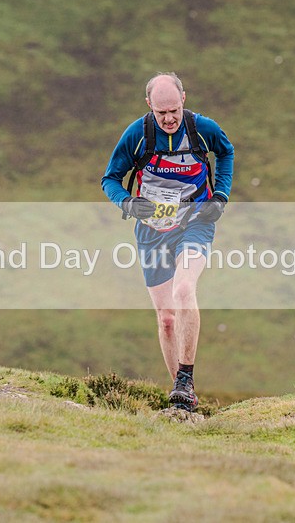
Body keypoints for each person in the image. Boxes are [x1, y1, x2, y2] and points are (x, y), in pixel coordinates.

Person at [102, 72, 234, 412]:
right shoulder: (138, 134)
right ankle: (182, 394)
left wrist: (220, 196)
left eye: (173, 110)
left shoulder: (201, 128)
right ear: (149, 106)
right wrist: (129, 204)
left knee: (184, 291)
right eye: (161, 113)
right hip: (152, 231)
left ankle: (185, 377)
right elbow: (110, 179)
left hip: (195, 222)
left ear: (183, 99)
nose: (169, 119)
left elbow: (226, 152)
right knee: (166, 318)